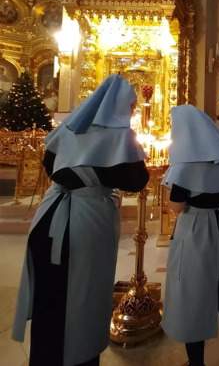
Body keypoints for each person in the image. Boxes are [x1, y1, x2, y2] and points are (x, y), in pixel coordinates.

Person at [12, 74, 149, 366]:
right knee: (82, 295)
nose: (133, 111)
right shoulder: (119, 136)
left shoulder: (71, 127)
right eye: (132, 106)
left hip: (49, 217)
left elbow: (50, 162)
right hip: (84, 223)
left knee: (51, 296)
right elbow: (137, 180)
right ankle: (78, 357)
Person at [162, 105, 219, 366]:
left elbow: (177, 206)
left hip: (196, 229)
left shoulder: (185, 165)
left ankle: (196, 361)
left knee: (194, 292)